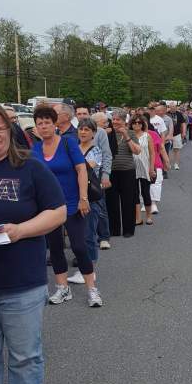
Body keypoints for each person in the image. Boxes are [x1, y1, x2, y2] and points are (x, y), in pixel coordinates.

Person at [0, 102, 66, 384]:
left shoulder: (30, 167)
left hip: (21, 280)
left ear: (9, 130)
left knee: (23, 356)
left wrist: (21, 230)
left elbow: (58, 211)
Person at [31, 104, 102, 306]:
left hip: (72, 203)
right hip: (48, 207)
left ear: (55, 124)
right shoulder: (35, 149)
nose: (43, 126)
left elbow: (81, 170)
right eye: (39, 123)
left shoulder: (68, 143)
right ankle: (63, 288)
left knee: (79, 247)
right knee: (54, 248)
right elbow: (34, 178)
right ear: (35, 127)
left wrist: (83, 198)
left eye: (47, 122)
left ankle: (92, 289)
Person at [69, 118, 104, 285]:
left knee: (89, 234)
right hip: (73, 194)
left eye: (87, 130)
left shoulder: (95, 150)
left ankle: (90, 270)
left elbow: (86, 167)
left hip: (90, 197)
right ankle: (84, 268)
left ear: (93, 133)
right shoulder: (73, 148)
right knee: (78, 235)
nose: (83, 132)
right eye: (81, 129)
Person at [105, 108, 141, 237]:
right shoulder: (107, 133)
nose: (115, 122)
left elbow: (137, 151)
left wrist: (126, 136)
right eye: (113, 119)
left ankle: (128, 230)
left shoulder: (131, 133)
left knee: (128, 201)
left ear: (124, 120)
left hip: (127, 171)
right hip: (110, 171)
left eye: (118, 119)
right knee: (111, 201)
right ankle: (114, 229)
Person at [90, 110, 113, 249]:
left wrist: (105, 175)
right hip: (79, 174)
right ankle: (88, 238)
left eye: (83, 113)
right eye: (78, 114)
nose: (106, 124)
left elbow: (107, 154)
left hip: (96, 174)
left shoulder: (100, 132)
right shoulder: (76, 132)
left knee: (100, 205)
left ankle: (104, 237)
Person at [131, 115, 155, 225]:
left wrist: (151, 168)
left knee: (146, 192)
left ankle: (149, 216)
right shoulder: (128, 136)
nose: (137, 124)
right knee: (134, 193)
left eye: (139, 123)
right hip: (132, 167)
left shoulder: (147, 136)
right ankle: (138, 218)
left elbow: (152, 153)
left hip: (145, 167)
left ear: (142, 124)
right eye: (134, 122)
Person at [143, 111, 168, 214]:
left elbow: (161, 148)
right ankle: (145, 203)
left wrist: (166, 161)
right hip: (141, 164)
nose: (139, 124)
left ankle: (153, 203)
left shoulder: (153, 133)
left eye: (142, 122)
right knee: (143, 184)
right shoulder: (133, 135)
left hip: (156, 162)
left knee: (156, 183)